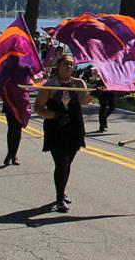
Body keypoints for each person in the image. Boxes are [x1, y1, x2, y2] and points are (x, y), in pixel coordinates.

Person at [34, 55, 94, 212]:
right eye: (65, 64)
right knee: (61, 163)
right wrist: (54, 115)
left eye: (71, 64)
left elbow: (83, 100)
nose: (69, 67)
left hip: (74, 128)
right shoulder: (50, 85)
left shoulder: (78, 83)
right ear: (58, 65)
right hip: (56, 129)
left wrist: (96, 93)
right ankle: (60, 198)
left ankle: (62, 190)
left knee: (67, 163)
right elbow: (39, 107)